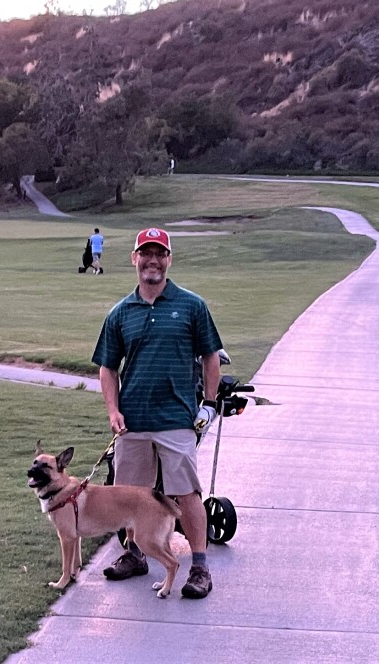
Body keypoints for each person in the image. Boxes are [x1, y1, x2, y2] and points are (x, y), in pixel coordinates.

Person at [91, 227, 224, 599]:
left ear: (169, 259)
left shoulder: (192, 306)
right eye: (146, 253)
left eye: (160, 254)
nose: (153, 261)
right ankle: (135, 555)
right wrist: (113, 411)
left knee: (186, 494)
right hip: (133, 423)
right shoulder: (120, 313)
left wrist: (209, 403)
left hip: (176, 419)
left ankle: (199, 568)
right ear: (134, 258)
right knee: (129, 497)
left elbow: (211, 356)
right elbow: (107, 368)